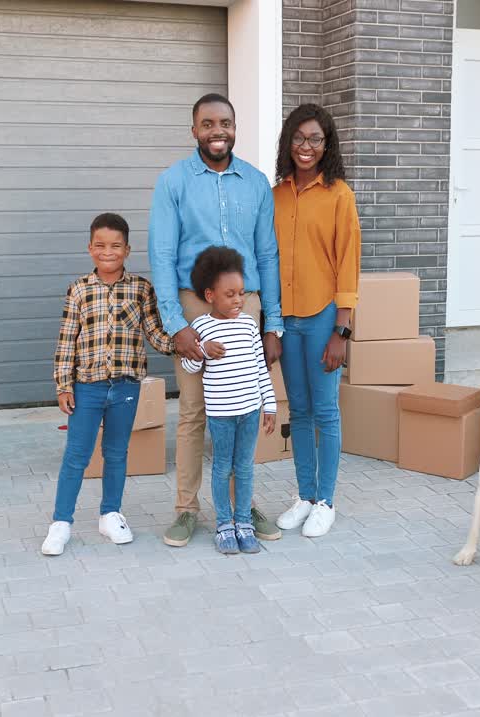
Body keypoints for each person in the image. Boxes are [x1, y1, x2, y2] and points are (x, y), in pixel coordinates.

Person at [149, 93, 285, 547]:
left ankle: (239, 506)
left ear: (235, 126)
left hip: (245, 304)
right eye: (207, 124)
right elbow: (162, 255)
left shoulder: (257, 183)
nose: (217, 131)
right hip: (193, 305)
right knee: (194, 410)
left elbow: (267, 254)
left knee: (245, 406)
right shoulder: (173, 182)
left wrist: (272, 323)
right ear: (194, 130)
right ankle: (188, 510)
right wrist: (176, 324)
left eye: (224, 122)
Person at [41, 213, 175, 555]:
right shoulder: (79, 289)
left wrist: (184, 342)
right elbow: (66, 340)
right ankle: (61, 522)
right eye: (100, 245)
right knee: (77, 455)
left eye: (116, 246)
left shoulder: (142, 289)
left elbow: (155, 334)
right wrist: (63, 385)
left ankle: (110, 514)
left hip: (126, 387)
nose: (108, 252)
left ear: (127, 249)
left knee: (116, 453)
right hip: (87, 386)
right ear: (90, 248)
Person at [271, 103, 361, 538]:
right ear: (289, 141)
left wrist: (342, 330)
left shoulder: (339, 194)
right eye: (299, 138)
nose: (307, 147)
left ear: (327, 145)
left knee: (326, 411)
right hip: (287, 318)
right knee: (300, 409)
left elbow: (348, 263)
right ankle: (304, 495)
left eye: (316, 139)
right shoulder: (277, 193)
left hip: (324, 315)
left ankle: (326, 500)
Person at [180, 247, 277, 554]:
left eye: (241, 293)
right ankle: (224, 524)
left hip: (250, 411)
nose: (238, 300)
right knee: (223, 467)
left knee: (245, 466)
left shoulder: (249, 325)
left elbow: (261, 368)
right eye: (230, 294)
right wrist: (204, 350)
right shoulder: (202, 328)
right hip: (221, 414)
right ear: (210, 295)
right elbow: (190, 366)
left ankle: (244, 521)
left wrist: (270, 404)